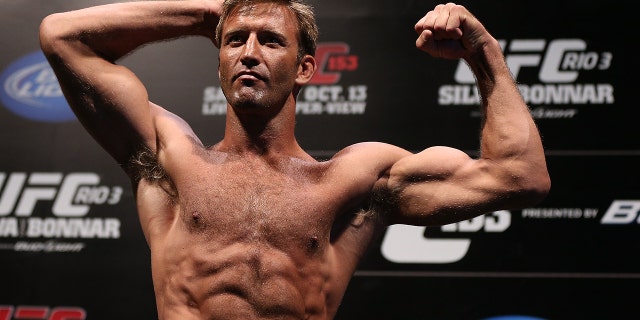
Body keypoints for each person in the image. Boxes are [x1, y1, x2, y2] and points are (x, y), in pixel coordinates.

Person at [39, 0, 550, 319]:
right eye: (236, 41)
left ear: (305, 68)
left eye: (271, 40)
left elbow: (520, 175)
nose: (249, 52)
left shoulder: (353, 181)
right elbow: (62, 35)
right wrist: (210, 15)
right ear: (218, 62)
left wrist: (482, 50)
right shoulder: (169, 158)